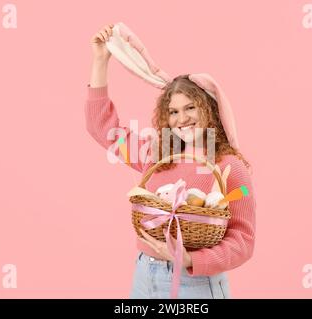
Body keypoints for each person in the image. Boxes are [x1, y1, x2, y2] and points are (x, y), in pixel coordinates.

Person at [85, 23, 256, 299]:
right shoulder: (156, 156)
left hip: (194, 284)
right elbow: (101, 127)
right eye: (173, 111)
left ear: (210, 109)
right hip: (145, 275)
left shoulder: (228, 167)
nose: (182, 118)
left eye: (190, 107)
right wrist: (100, 60)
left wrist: (190, 260)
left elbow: (243, 241)